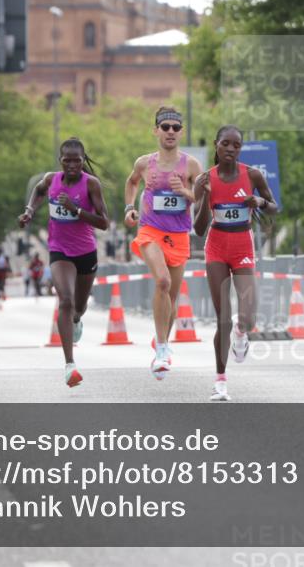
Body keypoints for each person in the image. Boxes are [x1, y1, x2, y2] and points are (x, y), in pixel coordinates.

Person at [193, 125, 278, 401]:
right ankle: (220, 382)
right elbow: (198, 228)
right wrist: (206, 196)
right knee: (222, 320)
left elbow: (274, 206)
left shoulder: (251, 174)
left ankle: (242, 332)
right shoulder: (205, 179)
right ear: (217, 146)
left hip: (242, 245)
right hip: (216, 246)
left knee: (248, 317)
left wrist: (261, 202)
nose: (230, 149)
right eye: (225, 144)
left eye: (236, 145)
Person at [19, 137, 109, 388]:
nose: (72, 165)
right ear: (60, 161)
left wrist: (76, 210)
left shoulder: (91, 184)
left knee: (78, 308)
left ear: (83, 161)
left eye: (77, 161)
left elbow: (104, 223)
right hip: (60, 251)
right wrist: (29, 210)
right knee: (65, 301)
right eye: (67, 160)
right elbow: (38, 191)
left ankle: (77, 319)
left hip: (86, 253)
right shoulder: (51, 180)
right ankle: (70, 365)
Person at [123, 107, 204, 381]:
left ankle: (162, 344)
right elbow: (132, 183)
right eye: (165, 126)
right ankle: (161, 349)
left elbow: (205, 198)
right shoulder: (144, 163)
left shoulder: (191, 165)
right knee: (163, 282)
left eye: (175, 128)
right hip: (150, 231)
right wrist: (128, 208)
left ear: (181, 132)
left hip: (179, 236)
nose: (170, 131)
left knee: (171, 297)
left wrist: (186, 193)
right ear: (155, 130)